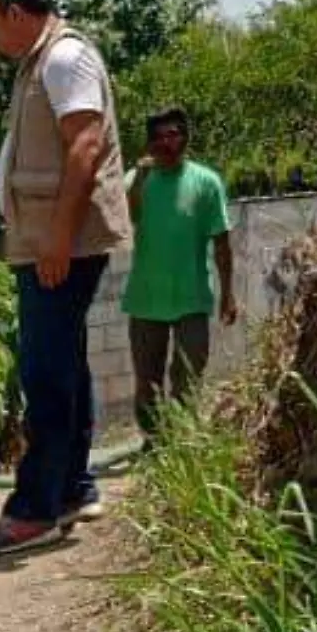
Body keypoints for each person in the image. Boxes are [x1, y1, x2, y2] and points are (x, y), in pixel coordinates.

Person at [0, 0, 132, 557]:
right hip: (47, 242)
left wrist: (60, 237)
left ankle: (34, 508)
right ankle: (71, 488)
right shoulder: (42, 62)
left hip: (59, 245)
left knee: (44, 372)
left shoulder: (63, 58)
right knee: (64, 365)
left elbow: (86, 144)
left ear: (16, 13)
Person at [123, 106, 236, 447]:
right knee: (147, 384)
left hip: (192, 298)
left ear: (185, 138)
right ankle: (154, 443)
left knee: (188, 378)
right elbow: (124, 220)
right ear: (150, 143)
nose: (165, 143)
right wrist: (140, 180)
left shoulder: (206, 182)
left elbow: (222, 241)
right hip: (146, 300)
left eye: (172, 134)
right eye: (158, 137)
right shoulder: (137, 180)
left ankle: (180, 444)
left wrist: (228, 293)